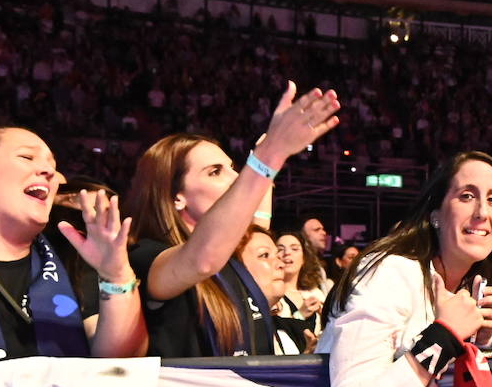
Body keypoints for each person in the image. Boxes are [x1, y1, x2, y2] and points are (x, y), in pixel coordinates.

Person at [124, 82, 339, 357]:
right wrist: (268, 156)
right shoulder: (148, 256)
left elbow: (256, 223)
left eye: (232, 168)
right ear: (176, 196)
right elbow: (202, 259)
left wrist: (274, 155)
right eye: (215, 172)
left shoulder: (234, 253)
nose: (235, 178)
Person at [319, 152, 492, 387]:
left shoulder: (469, 290)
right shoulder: (390, 271)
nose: (482, 212)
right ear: (436, 215)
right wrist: (444, 337)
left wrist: (478, 344)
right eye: (467, 196)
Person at [0, 127, 145, 361]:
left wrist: (116, 276)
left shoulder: (69, 259)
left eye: (53, 166)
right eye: (26, 157)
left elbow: (121, 360)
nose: (49, 172)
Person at [236, 226, 313, 354]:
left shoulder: (297, 333)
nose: (281, 264)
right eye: (265, 255)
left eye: (277, 256)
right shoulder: (222, 336)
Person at [275, 231, 328, 330]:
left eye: (294, 249)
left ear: (304, 258)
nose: (287, 253)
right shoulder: (271, 297)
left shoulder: (315, 293)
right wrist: (300, 315)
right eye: (280, 249)